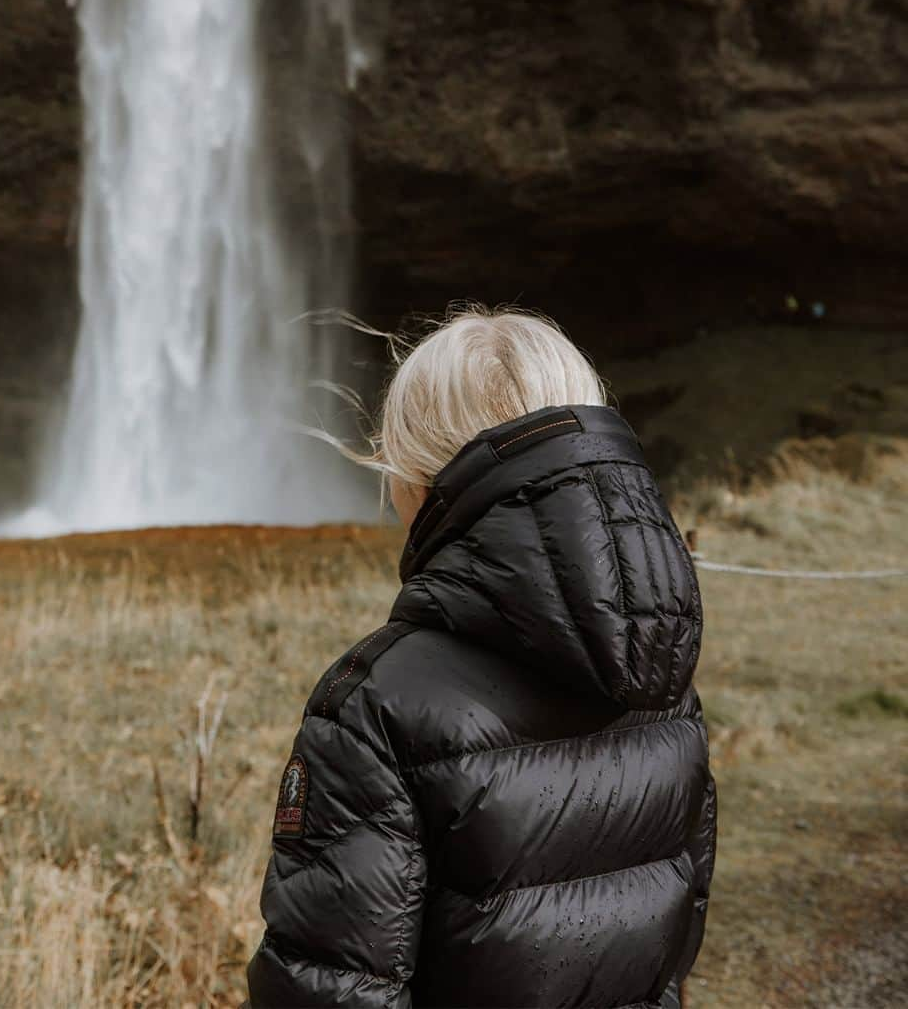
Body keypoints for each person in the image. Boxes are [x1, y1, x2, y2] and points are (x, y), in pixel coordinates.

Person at [245, 306, 716, 1008]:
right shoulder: (664, 671)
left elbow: (330, 990)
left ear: (415, 480)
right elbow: (674, 941)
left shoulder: (377, 704)